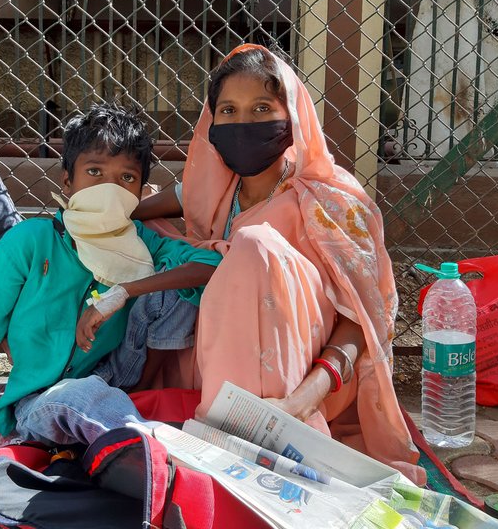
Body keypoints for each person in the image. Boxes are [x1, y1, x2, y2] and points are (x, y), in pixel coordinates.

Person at [132, 44, 425, 484]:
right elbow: (165, 202)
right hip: (217, 362)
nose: (243, 122)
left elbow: (361, 322)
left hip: (308, 381)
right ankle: (208, 419)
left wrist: (304, 401)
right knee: (145, 240)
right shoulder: (214, 191)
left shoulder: (328, 200)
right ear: (211, 124)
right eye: (228, 110)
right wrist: (105, 215)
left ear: (293, 119)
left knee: (252, 248)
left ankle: (256, 439)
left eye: (262, 108)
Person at [0, 102, 222, 461]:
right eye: (94, 172)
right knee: (73, 399)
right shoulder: (28, 243)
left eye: (126, 178)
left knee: (176, 289)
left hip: (118, 374)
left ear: (140, 192)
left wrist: (123, 291)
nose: (110, 189)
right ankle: (153, 449)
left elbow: (210, 265)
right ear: (67, 181)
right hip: (42, 397)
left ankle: (138, 415)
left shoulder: (142, 242)